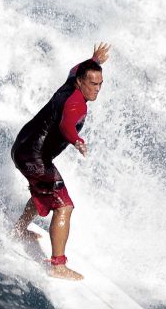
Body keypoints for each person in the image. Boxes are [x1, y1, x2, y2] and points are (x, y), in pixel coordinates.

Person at [11, 42, 109, 280]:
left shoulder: (72, 78)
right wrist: (76, 140)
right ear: (80, 82)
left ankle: (18, 230)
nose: (97, 90)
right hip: (34, 157)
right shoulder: (76, 104)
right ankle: (58, 265)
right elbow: (66, 124)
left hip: (22, 147)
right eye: (92, 84)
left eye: (100, 84)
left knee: (43, 190)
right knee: (64, 205)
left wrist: (94, 59)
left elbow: (77, 68)